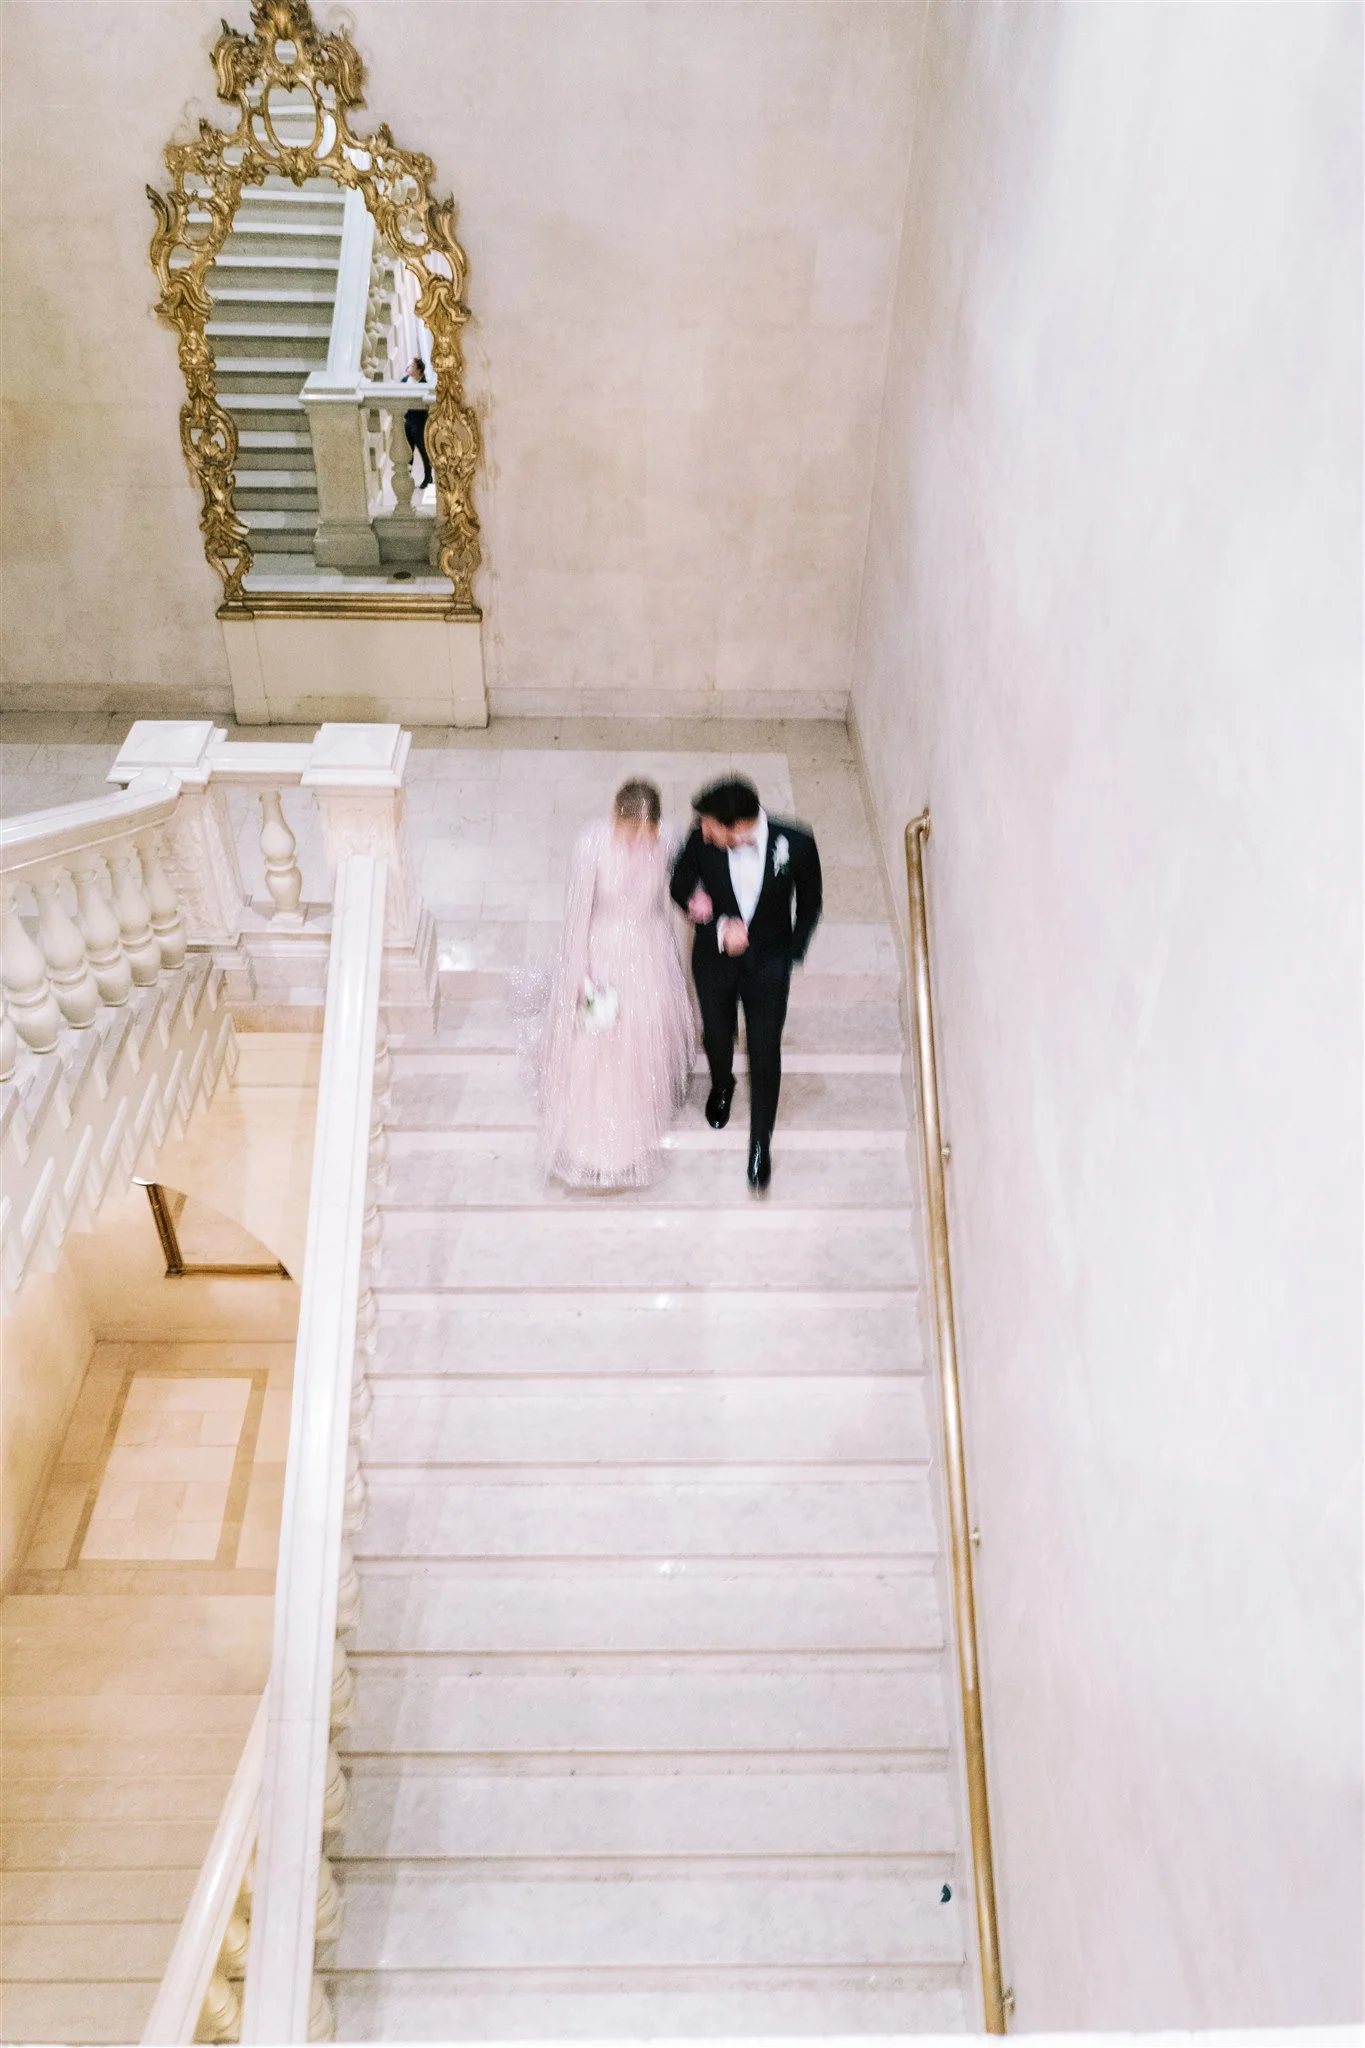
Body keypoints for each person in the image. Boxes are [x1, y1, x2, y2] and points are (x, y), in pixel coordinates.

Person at [534, 779, 695, 1190]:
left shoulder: (669, 840)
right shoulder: (590, 846)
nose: (637, 841)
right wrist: (580, 974)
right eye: (630, 832)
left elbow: (677, 891)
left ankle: (636, 1127)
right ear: (615, 817)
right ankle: (589, 1138)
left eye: (645, 833)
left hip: (649, 950)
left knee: (641, 1037)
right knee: (597, 1043)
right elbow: (577, 913)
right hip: (601, 949)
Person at [669, 777, 822, 1190]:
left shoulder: (797, 843)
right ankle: (722, 1084)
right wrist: (703, 911)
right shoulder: (699, 842)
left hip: (769, 965)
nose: (703, 832)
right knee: (717, 1035)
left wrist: (789, 954)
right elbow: (679, 882)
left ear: (736, 827)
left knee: (765, 1048)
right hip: (714, 961)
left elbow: (810, 904)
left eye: (710, 827)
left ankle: (760, 1142)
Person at [402, 356, 433, 490]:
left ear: (418, 370)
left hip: (420, 422)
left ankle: (428, 476)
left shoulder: (424, 384)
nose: (407, 369)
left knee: (423, 450)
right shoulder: (404, 381)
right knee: (408, 451)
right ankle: (406, 477)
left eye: (411, 366)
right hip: (408, 420)